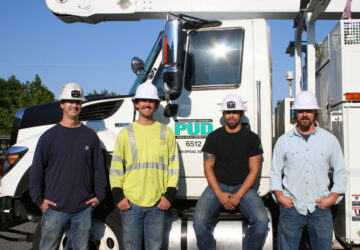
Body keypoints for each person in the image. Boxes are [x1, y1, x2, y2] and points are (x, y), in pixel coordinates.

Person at [30, 82, 107, 250]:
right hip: (54, 209)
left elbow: (98, 170)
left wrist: (99, 196)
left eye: (78, 102)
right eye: (70, 102)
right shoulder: (48, 137)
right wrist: (39, 201)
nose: (74, 105)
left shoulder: (90, 137)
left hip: (83, 209)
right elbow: (37, 172)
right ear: (62, 104)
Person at [270, 91, 347, 250]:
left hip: (320, 207)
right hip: (291, 208)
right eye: (300, 111)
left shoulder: (329, 140)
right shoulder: (284, 142)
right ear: (295, 113)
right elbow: (275, 172)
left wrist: (331, 198)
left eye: (309, 110)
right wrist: (280, 197)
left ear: (315, 112)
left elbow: (340, 171)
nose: (304, 114)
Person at [193, 93, 269, 250]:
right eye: (228, 112)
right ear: (223, 114)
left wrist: (239, 195)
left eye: (235, 112)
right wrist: (220, 195)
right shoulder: (214, 137)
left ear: (241, 113)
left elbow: (254, 170)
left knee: (261, 221)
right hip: (218, 186)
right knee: (199, 220)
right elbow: (208, 168)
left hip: (244, 188)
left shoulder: (252, 139)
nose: (231, 115)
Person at [109, 81, 179, 250]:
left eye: (151, 101)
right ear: (136, 104)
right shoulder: (126, 133)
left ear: (156, 105)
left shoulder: (166, 132)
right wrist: (119, 197)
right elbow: (116, 168)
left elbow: (174, 167)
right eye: (143, 100)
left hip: (158, 202)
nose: (147, 104)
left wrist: (169, 195)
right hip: (131, 202)